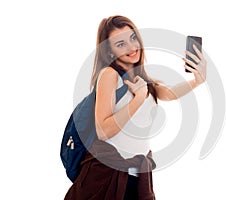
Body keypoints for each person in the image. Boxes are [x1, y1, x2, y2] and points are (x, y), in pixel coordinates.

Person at [64, 15, 206, 200]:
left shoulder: (141, 78)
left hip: (137, 175)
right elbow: (103, 130)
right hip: (105, 174)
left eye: (133, 38)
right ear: (110, 52)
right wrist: (137, 99)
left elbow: (168, 93)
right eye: (121, 44)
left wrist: (197, 81)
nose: (132, 47)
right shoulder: (109, 75)